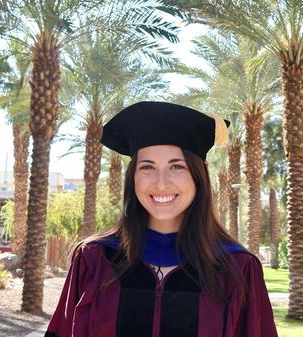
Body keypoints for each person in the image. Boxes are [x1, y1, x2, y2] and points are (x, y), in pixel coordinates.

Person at [45, 101, 278, 337]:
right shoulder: (95, 260)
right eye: (147, 168)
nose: (161, 183)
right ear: (133, 177)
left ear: (199, 176)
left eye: (177, 167)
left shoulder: (237, 268)